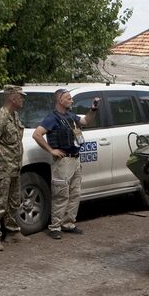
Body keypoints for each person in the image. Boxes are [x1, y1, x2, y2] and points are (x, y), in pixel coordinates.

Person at [32, 89, 99, 239]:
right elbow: (37, 134)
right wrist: (52, 150)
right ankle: (55, 227)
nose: (72, 101)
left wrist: (93, 109)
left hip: (75, 159)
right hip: (63, 161)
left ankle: (68, 223)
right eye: (68, 98)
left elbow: (86, 121)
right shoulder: (52, 118)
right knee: (61, 194)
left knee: (75, 193)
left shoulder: (71, 116)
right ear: (60, 100)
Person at [0, 85, 30, 251]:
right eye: (21, 97)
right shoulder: (0, 119)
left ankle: (12, 232)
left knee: (14, 201)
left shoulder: (14, 116)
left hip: (14, 166)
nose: (23, 100)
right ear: (13, 98)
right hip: (2, 168)